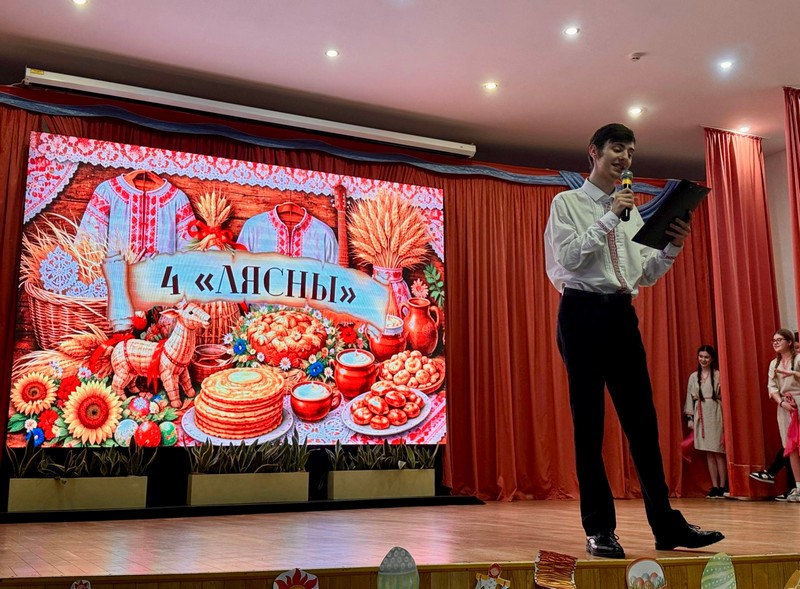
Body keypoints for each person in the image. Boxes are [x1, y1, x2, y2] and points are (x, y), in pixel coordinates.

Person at [544, 123, 724, 558]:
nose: (625, 157)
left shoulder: (634, 213)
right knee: (589, 426)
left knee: (643, 424)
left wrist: (671, 248)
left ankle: (666, 525)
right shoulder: (567, 203)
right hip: (582, 313)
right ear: (594, 152)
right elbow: (567, 259)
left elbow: (643, 273)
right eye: (617, 148)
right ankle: (599, 529)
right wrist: (610, 216)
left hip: (622, 315)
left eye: (630, 151)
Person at [683, 345, 727, 498]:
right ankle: (714, 485)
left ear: (712, 359)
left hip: (715, 412)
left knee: (718, 451)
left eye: (706, 357)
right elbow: (689, 398)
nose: (703, 360)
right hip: (700, 413)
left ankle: (723, 485)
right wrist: (690, 418)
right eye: (701, 356)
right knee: (708, 451)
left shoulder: (718, 375)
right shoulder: (694, 377)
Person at [766, 328, 800, 502]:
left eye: (779, 340)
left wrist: (793, 373)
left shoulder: (798, 358)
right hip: (785, 407)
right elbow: (772, 387)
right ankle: (798, 487)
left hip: (798, 402)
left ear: (789, 342)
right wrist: (781, 403)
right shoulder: (774, 364)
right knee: (791, 448)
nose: (776, 343)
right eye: (773, 340)